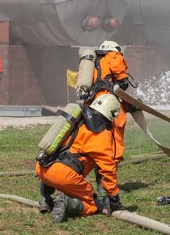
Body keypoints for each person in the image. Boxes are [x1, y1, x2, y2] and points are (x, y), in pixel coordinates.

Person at [35, 94, 125, 223]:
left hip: (42, 167)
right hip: (63, 175)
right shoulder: (101, 134)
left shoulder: (77, 119)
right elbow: (108, 170)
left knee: (58, 174)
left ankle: (45, 200)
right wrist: (114, 198)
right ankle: (67, 203)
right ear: (112, 113)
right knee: (92, 204)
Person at [80, 40, 130, 196]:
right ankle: (107, 189)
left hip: (90, 106)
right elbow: (122, 82)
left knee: (95, 146)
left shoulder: (94, 62)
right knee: (112, 146)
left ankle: (97, 186)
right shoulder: (114, 56)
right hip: (107, 106)